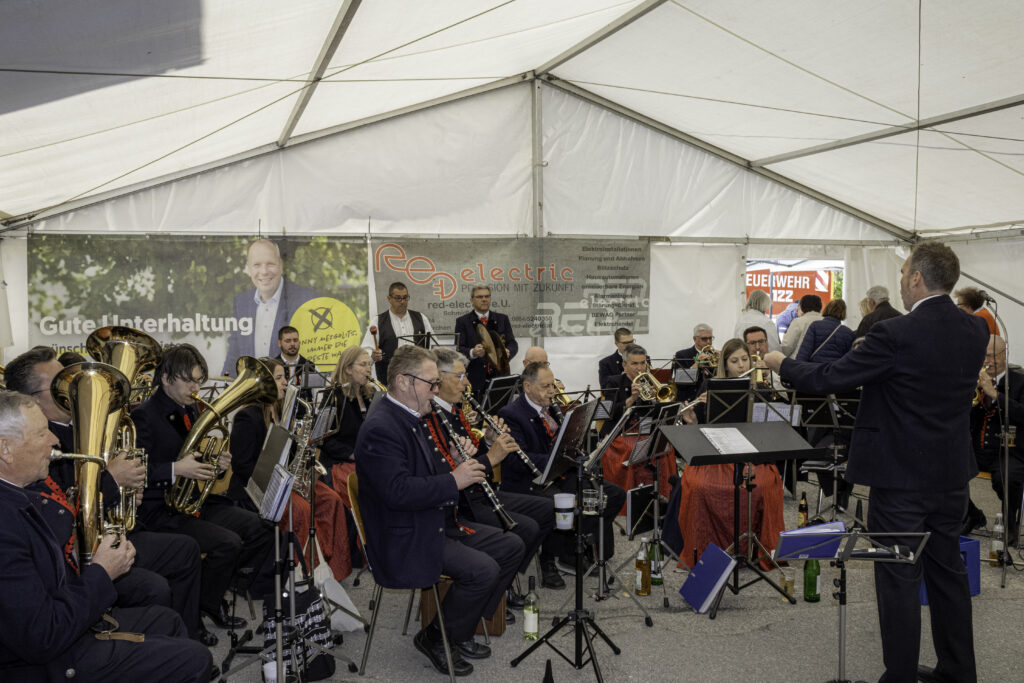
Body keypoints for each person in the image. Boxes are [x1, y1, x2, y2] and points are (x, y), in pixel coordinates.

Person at [763, 241, 988, 683]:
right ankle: (959, 672)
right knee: (948, 573)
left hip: (900, 478)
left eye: (904, 273)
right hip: (951, 476)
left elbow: (831, 376)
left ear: (917, 278)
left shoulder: (895, 333)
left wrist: (782, 363)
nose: (901, 281)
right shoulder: (975, 329)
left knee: (898, 575)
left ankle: (899, 675)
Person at [4, 346, 212, 646]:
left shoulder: (76, 428)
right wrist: (113, 481)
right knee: (155, 587)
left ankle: (188, 636)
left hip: (106, 532)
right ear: (32, 401)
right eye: (58, 384)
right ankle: (159, 647)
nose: (71, 388)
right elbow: (64, 511)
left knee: (185, 550)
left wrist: (127, 490)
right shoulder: (34, 451)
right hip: (80, 553)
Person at [355, 346, 523, 676]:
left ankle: (458, 627)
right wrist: (454, 479)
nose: (436, 390)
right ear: (403, 382)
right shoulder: (382, 427)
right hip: (406, 534)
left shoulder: (412, 414)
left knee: (511, 546)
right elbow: (398, 492)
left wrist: (456, 461)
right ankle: (436, 637)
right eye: (431, 383)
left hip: (432, 518)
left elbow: (426, 469)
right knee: (483, 571)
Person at [132, 344, 274, 631]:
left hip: (194, 502)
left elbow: (197, 455)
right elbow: (135, 473)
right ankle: (196, 608)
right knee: (227, 544)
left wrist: (216, 462)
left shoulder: (192, 408)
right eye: (189, 381)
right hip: (161, 510)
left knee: (262, 527)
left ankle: (209, 596)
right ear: (166, 378)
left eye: (199, 381)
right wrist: (176, 469)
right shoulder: (143, 416)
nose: (196, 388)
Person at [430, 348, 556, 614]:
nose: (467, 383)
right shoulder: (433, 416)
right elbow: (453, 469)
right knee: (525, 530)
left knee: (546, 510)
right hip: (463, 502)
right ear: (438, 378)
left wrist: (488, 441)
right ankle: (495, 596)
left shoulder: (453, 410)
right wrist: (493, 457)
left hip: (477, 490)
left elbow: (469, 455)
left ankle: (503, 582)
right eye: (460, 376)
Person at [228, 357, 352, 581]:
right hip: (258, 492)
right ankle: (300, 575)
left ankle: (330, 570)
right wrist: (282, 480)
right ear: (262, 384)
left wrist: (305, 452)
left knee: (331, 499)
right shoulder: (247, 417)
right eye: (279, 378)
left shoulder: (283, 412)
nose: (285, 382)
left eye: (284, 377)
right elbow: (242, 466)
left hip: (285, 483)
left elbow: (291, 454)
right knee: (301, 510)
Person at [498, 361, 626, 576]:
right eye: (546, 386)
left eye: (553, 385)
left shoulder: (552, 408)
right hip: (529, 480)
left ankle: (572, 548)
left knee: (613, 494)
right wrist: (557, 460)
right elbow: (517, 459)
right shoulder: (511, 413)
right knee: (561, 504)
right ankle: (549, 557)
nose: (552, 391)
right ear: (527, 387)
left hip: (559, 473)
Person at [675, 339, 785, 569]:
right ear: (725, 364)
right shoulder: (709, 386)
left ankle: (756, 548)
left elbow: (768, 431)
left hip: (752, 455)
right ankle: (706, 549)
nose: (741, 365)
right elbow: (699, 430)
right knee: (699, 485)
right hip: (717, 454)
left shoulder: (760, 389)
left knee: (765, 484)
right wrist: (692, 420)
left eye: (745, 359)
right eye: (735, 361)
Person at [222, 238, 318, 376]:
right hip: (253, 388)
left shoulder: (305, 299)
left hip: (291, 386)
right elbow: (234, 354)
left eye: (270, 264)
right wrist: (224, 384)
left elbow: (313, 353)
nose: (264, 271)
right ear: (248, 269)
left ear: (280, 265)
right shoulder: (241, 303)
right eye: (257, 265)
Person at [599, 344, 676, 507]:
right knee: (632, 449)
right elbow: (610, 413)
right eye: (634, 364)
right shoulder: (614, 381)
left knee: (665, 447)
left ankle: (663, 496)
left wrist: (655, 400)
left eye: (642, 363)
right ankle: (633, 501)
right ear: (624, 365)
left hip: (647, 427)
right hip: (622, 430)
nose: (640, 368)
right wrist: (632, 398)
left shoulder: (651, 381)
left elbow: (662, 409)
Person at [965, 335, 1023, 539]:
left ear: (1004, 354)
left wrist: (996, 395)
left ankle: (1010, 524)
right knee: (947, 468)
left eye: (990, 356)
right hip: (977, 448)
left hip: (1010, 450)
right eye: (983, 356)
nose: (986, 361)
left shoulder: (1020, 382)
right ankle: (972, 515)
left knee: (1008, 477)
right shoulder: (973, 380)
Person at [319, 345, 382, 502]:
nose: (368, 369)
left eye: (369, 364)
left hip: (367, 461)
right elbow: (322, 438)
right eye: (363, 364)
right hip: (341, 464)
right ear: (348, 369)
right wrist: (352, 454)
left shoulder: (371, 394)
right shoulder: (333, 395)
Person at [455, 285, 518, 398]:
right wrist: (473, 352)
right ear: (471, 300)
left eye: (487, 296)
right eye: (480, 297)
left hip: (500, 379)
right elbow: (458, 349)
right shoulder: (462, 322)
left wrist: (507, 351)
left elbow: (513, 343)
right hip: (474, 380)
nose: (484, 299)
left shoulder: (502, 319)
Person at [367, 281, 435, 383]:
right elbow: (367, 349)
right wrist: (372, 356)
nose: (402, 301)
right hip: (389, 380)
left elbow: (433, 346)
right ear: (389, 299)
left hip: (419, 378)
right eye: (398, 298)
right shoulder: (378, 321)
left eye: (405, 297)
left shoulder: (421, 318)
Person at [796, 298, 854, 363]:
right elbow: (848, 359)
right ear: (843, 313)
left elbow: (804, 352)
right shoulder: (848, 333)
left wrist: (799, 366)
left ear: (826, 309)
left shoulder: (815, 326)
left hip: (814, 367)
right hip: (834, 368)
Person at [779, 294, 823, 359]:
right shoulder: (826, 321)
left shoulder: (797, 322)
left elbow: (787, 347)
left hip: (798, 362)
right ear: (820, 307)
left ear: (802, 307)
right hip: (821, 362)